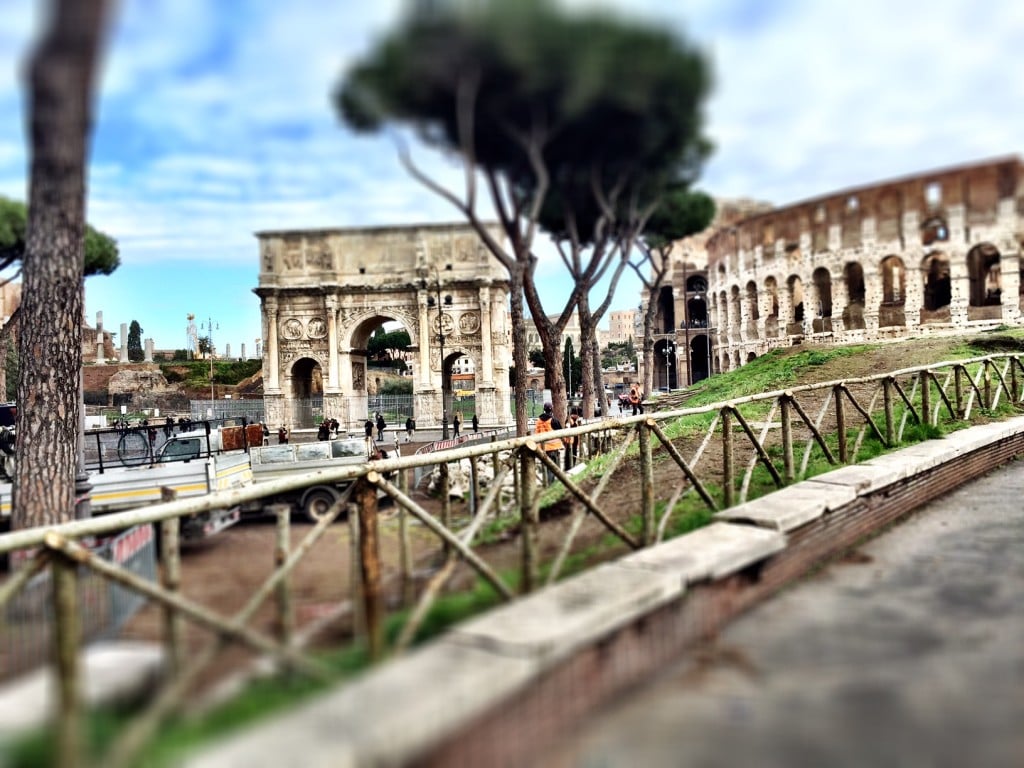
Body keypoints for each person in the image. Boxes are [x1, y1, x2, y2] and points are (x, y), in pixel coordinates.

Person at [533, 402, 562, 484]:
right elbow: (561, 432)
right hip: (553, 448)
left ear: (544, 409)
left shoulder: (538, 421)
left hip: (542, 449)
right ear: (551, 409)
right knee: (553, 467)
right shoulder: (554, 420)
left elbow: (536, 433)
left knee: (545, 467)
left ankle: (547, 483)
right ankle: (551, 484)